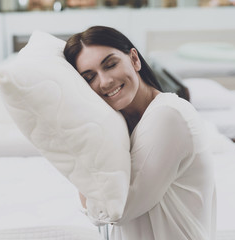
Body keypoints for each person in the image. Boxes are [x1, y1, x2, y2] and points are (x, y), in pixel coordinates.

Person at [64, 26, 216, 240]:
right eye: (90, 78)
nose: (105, 81)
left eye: (110, 65)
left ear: (135, 59)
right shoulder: (122, 125)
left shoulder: (167, 115)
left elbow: (113, 210)